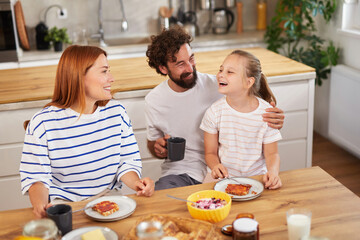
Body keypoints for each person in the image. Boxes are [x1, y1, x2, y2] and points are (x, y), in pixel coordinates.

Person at [20, 45, 154, 218]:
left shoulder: (117, 113)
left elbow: (126, 162)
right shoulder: (43, 123)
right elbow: (36, 178)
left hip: (109, 200)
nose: (111, 78)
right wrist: (40, 205)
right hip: (65, 206)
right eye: (104, 71)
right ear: (79, 77)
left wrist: (138, 183)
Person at [145, 26, 284, 190]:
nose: (190, 68)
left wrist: (273, 116)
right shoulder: (154, 100)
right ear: (163, 68)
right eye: (181, 64)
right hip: (183, 172)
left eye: (191, 58)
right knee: (165, 203)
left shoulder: (220, 86)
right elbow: (152, 144)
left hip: (228, 172)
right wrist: (158, 148)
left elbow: (252, 101)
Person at [200, 50, 282, 189]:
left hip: (256, 179)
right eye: (221, 69)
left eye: (229, 72)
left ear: (249, 82)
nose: (221, 74)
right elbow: (210, 153)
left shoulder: (266, 113)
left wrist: (273, 173)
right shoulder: (214, 112)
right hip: (221, 179)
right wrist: (215, 166)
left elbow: (272, 153)